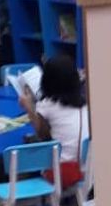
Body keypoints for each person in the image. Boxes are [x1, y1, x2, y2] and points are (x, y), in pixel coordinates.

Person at [20, 54, 89, 188]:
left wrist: (29, 107)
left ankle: (30, 198)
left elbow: (41, 134)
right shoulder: (83, 103)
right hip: (86, 167)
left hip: (60, 173)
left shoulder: (47, 104)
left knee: (26, 153)